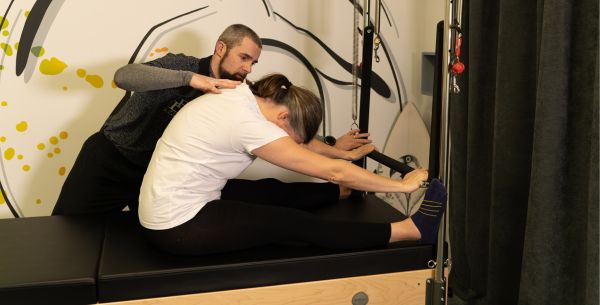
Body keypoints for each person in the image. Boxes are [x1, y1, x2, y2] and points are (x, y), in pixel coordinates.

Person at [52, 24, 371, 215]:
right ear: (221, 48)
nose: (248, 68)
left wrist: (335, 149)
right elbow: (124, 76)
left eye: (254, 62)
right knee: (66, 237)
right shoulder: (182, 65)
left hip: (157, 176)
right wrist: (193, 80)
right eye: (244, 57)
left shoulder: (240, 93)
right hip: (109, 161)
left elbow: (282, 131)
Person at [138, 73, 447, 255]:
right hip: (177, 226)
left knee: (270, 190)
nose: (293, 143)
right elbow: (329, 170)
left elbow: (299, 145)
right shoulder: (249, 124)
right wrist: (402, 185)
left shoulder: (245, 95)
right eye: (293, 136)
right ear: (284, 117)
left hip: (169, 203)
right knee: (293, 223)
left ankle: (339, 194)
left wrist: (340, 153)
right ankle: (409, 231)